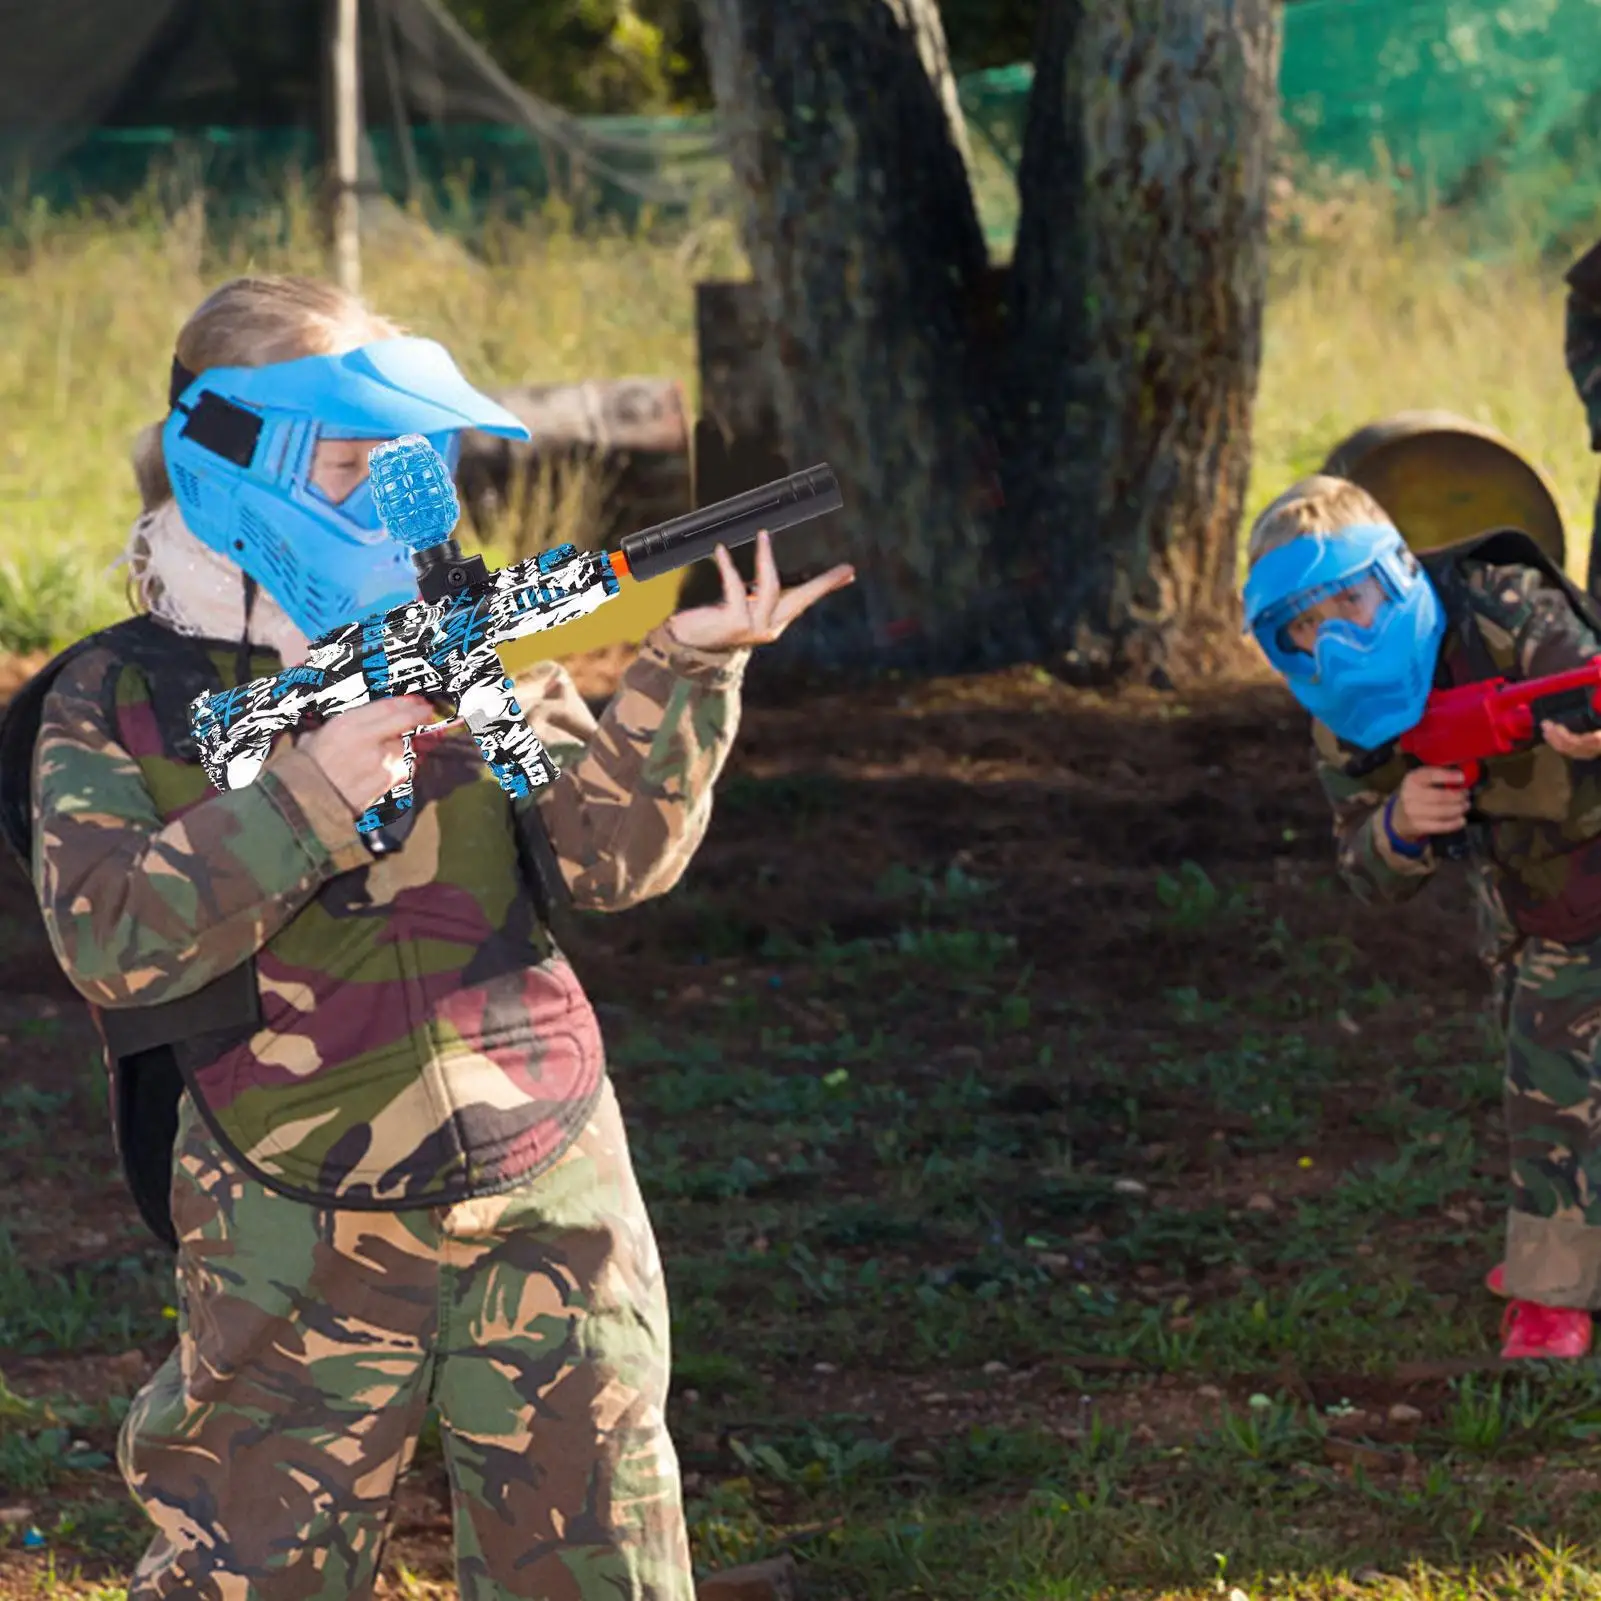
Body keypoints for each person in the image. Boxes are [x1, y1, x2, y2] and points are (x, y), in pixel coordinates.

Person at [14, 273, 854, 1600]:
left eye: (404, 460)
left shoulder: (458, 643)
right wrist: (307, 796)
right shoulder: (127, 698)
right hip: (293, 1208)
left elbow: (609, 856)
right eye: (354, 463)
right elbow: (112, 941)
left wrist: (686, 671)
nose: (393, 496)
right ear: (240, 459)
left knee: (597, 1566)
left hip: (549, 1175)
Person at [1241, 473, 1601, 1363]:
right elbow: (1362, 868)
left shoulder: (1498, 602)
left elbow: (1576, 673)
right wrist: (1400, 826)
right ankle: (1557, 1270)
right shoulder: (1342, 720)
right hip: (1528, 897)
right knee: (1552, 1081)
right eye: (1306, 628)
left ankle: (1553, 1287)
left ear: (1395, 573)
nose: (1338, 638)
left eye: (1350, 603)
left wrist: (1583, 724)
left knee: (1551, 1078)